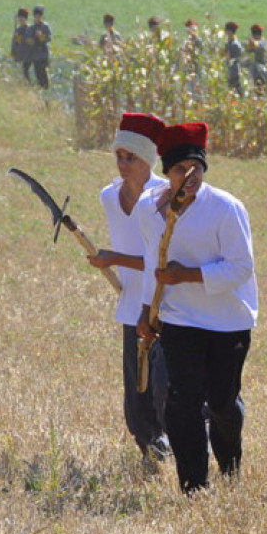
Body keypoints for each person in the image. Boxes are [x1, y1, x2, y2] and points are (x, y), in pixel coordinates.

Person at [136, 122, 258, 493]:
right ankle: (194, 485)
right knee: (182, 400)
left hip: (227, 320)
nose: (189, 177)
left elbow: (241, 267)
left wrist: (187, 275)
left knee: (221, 402)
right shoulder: (149, 208)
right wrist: (147, 310)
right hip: (179, 317)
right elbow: (150, 263)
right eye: (180, 170)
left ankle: (230, 460)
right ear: (166, 172)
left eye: (196, 168)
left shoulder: (226, 208)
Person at [87, 113, 171, 464]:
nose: (123, 164)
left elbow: (161, 261)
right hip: (130, 302)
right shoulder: (109, 196)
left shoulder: (163, 198)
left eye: (130, 158)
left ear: (148, 159)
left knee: (163, 384)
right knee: (136, 391)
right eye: (118, 156)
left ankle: (179, 441)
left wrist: (115, 257)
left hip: (162, 302)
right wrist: (111, 261)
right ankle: (151, 449)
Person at [26, 5, 51, 89]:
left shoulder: (45, 27)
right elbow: (28, 40)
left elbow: (48, 39)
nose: (38, 17)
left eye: (39, 15)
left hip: (43, 54)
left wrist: (41, 36)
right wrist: (32, 39)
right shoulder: (30, 28)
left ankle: (46, 88)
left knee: (44, 73)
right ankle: (41, 89)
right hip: (35, 54)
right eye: (36, 15)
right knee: (38, 73)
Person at [11, 7, 32, 84]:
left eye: (22, 18)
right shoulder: (18, 30)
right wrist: (13, 53)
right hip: (21, 55)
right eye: (19, 18)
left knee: (26, 71)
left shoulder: (30, 29)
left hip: (29, 56)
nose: (20, 20)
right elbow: (15, 43)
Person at [245, 24, 267, 91]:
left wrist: (252, 43)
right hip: (254, 69)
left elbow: (257, 45)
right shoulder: (255, 42)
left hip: (263, 68)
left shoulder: (263, 42)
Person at [224, 21, 243, 96]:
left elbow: (237, 57)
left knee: (236, 89)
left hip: (234, 69)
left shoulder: (234, 44)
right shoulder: (230, 42)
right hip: (230, 69)